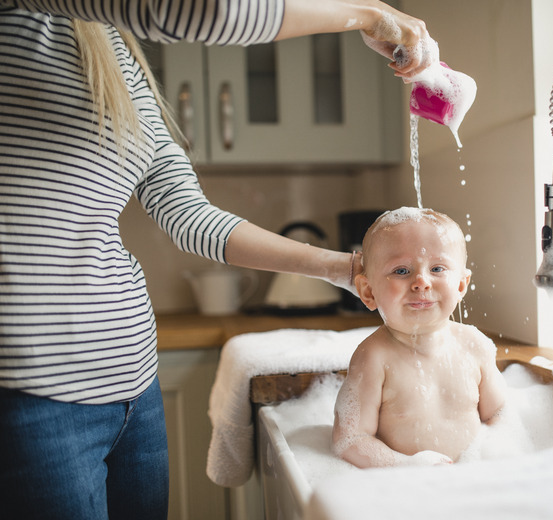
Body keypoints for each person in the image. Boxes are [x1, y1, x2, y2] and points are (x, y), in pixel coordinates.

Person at [0, 1, 434, 518]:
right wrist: (369, 13)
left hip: (133, 386)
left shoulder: (111, 49)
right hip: (31, 392)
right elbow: (212, 11)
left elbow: (186, 214)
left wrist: (342, 268)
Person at [332, 207, 506, 468]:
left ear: (460, 285)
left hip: (473, 478)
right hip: (405, 488)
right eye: (401, 271)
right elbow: (350, 439)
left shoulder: (474, 345)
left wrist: (497, 459)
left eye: (437, 268)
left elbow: (500, 416)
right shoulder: (374, 357)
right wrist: (406, 465)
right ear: (367, 291)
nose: (422, 282)